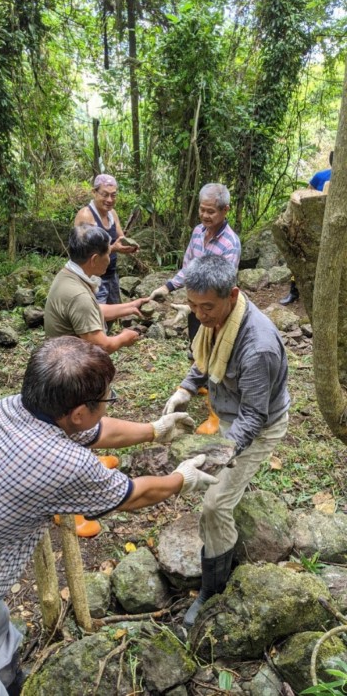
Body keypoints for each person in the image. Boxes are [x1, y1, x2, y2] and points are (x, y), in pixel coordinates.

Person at [0, 336, 218, 696]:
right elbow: (134, 493)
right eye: (107, 399)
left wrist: (154, 430)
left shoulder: (9, 409)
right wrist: (181, 480)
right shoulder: (62, 463)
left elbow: (94, 431)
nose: (109, 405)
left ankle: (11, 682)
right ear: (77, 411)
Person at [162, 255, 290, 629]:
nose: (199, 314)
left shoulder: (257, 346)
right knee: (223, 486)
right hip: (232, 412)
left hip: (260, 424)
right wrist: (186, 388)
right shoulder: (216, 321)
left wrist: (220, 456)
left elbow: (255, 418)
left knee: (214, 506)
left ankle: (213, 590)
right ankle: (233, 505)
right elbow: (204, 360)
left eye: (207, 307)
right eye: (193, 305)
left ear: (233, 296)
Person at [149, 183, 241, 433]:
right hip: (196, 305)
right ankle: (199, 383)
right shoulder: (198, 232)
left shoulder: (231, 243)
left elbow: (223, 285)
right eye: (202, 210)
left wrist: (204, 307)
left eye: (211, 211)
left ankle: (216, 415)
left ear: (225, 210)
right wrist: (167, 287)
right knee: (197, 349)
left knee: (216, 357)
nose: (205, 215)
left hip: (216, 308)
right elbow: (189, 268)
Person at [44, 225, 148, 353]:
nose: (109, 260)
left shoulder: (66, 275)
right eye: (108, 254)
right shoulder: (80, 296)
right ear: (94, 259)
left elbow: (93, 311)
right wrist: (124, 338)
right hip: (70, 367)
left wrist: (131, 307)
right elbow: (101, 347)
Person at [74, 173, 139, 305]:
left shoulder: (112, 214)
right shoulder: (86, 215)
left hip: (111, 273)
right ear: (94, 192)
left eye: (113, 195)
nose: (109, 199)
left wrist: (129, 246)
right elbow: (86, 253)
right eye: (105, 194)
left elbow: (120, 237)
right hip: (93, 278)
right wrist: (114, 248)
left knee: (113, 314)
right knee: (97, 316)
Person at [280, 151, 333, 305]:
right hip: (314, 225)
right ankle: (294, 292)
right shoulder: (321, 176)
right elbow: (304, 196)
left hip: (336, 227)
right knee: (300, 256)